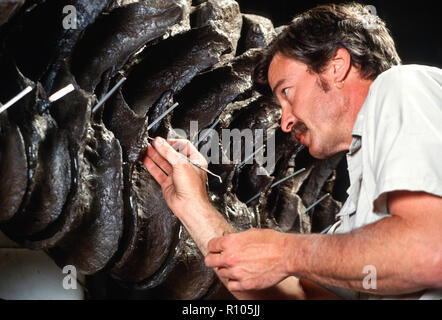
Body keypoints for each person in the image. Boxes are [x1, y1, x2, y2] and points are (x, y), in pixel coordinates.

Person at [143, 3, 442, 299]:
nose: (285, 122)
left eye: (287, 92)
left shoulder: (402, 86)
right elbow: (302, 296)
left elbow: (430, 251)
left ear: (336, 66)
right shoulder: (357, 214)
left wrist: (285, 252)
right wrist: (191, 203)